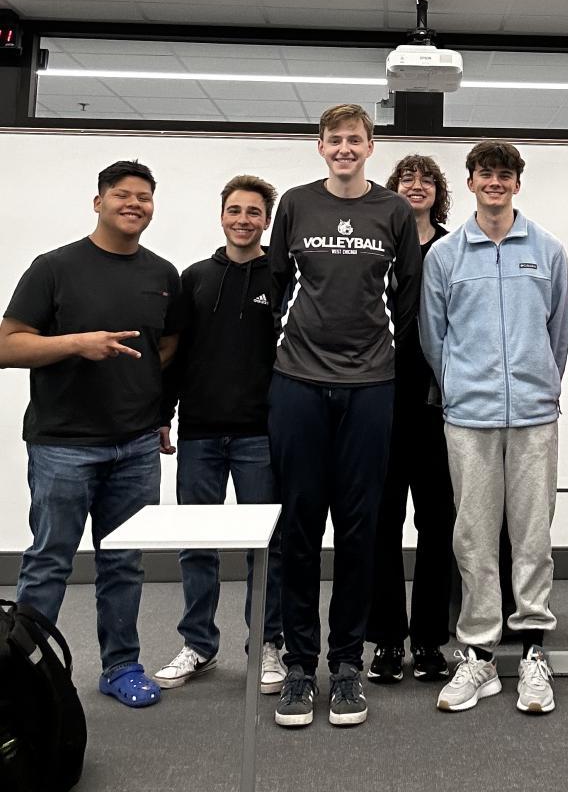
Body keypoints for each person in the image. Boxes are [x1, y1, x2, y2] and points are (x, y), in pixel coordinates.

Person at [0, 160, 180, 707]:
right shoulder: (54, 268)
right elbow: (8, 344)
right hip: (63, 445)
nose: (134, 204)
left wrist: (152, 406)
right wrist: (77, 343)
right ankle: (24, 677)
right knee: (49, 560)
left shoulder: (163, 274)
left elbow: (168, 347)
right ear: (98, 202)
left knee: (123, 562)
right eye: (122, 194)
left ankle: (121, 666)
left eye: (144, 197)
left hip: (136, 446)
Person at [268, 103, 421, 729]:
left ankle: (348, 664)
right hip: (298, 383)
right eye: (334, 139)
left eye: (354, 139)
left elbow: (407, 298)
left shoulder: (393, 211)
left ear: (370, 146)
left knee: (360, 529)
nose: (344, 148)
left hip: (370, 386)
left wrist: (381, 360)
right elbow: (278, 284)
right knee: (300, 528)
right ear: (321, 146)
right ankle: (301, 667)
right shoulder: (295, 205)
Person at [420, 140, 568, 716]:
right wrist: (461, 386)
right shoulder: (446, 256)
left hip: (533, 417)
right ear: (471, 182)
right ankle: (479, 654)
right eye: (485, 173)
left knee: (533, 535)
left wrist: (540, 384)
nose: (495, 182)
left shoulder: (548, 251)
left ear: (516, 183)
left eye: (504, 174)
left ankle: (533, 651)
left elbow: (558, 331)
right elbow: (434, 336)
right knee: (474, 537)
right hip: (469, 418)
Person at [155, 174, 284, 695]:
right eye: (235, 210)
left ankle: (268, 643)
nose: (243, 220)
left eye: (253, 212)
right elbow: (175, 354)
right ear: (222, 214)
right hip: (200, 434)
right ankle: (199, 644)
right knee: (197, 545)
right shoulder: (194, 278)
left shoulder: (282, 274)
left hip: (260, 434)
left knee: (264, 547)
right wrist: (163, 414)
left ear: (266, 221)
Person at [367, 155, 455, 685]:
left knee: (437, 523)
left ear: (438, 193)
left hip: (439, 405)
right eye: (407, 178)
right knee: (382, 523)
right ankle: (385, 639)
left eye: (426, 180)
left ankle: (428, 640)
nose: (416, 186)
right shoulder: (377, 244)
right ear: (393, 189)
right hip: (379, 400)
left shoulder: (454, 247)